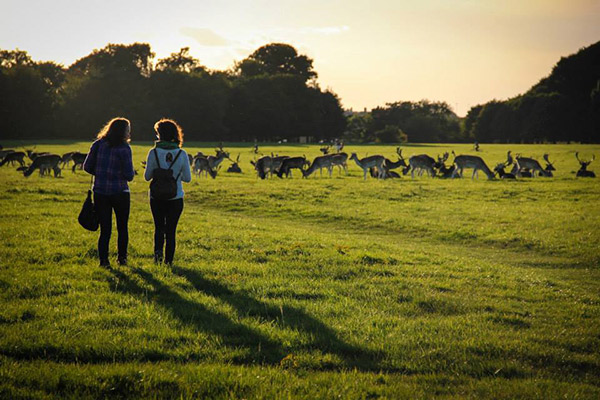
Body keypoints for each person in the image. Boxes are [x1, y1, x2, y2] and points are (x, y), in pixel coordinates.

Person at [83, 117, 135, 267]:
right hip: (120, 191)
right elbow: (129, 175)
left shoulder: (97, 145)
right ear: (124, 131)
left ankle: (104, 261)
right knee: (122, 227)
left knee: (105, 229)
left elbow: (87, 167)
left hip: (100, 192)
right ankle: (122, 258)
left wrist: (101, 173)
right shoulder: (124, 148)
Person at [144, 119, 192, 265]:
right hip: (175, 197)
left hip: (156, 197)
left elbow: (147, 177)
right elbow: (187, 178)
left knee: (159, 228)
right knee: (171, 231)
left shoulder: (153, 152)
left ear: (160, 134)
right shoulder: (182, 154)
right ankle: (169, 261)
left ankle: (157, 257)